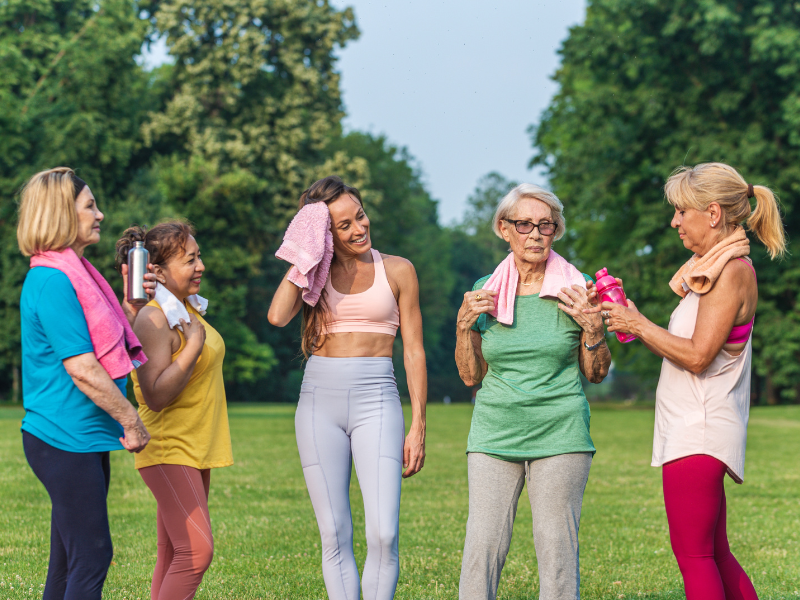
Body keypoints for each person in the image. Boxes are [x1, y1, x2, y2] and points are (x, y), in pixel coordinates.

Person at [591, 163, 786, 600]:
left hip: (698, 432)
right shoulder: (715, 272)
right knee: (715, 554)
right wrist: (629, 314)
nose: (675, 221)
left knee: (695, 558)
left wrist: (637, 324)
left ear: (713, 213)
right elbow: (685, 345)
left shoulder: (730, 272)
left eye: (682, 211)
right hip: (698, 429)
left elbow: (698, 356)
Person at [268, 175, 427, 600]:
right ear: (325, 232)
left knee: (384, 532)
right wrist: (305, 254)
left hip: (378, 399)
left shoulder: (397, 270)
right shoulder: (312, 275)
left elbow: (413, 351)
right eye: (343, 225)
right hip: (319, 401)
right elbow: (278, 316)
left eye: (360, 216)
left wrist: (419, 425)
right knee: (334, 532)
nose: (359, 228)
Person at [455, 183, 611, 600]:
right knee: (483, 544)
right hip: (495, 430)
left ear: (557, 230)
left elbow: (595, 374)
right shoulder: (486, 288)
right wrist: (463, 325)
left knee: (556, 546)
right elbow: (471, 376)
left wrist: (594, 328)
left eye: (546, 225)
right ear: (504, 229)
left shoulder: (575, 289)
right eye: (525, 224)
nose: (536, 234)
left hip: (560, 431)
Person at [16, 167, 153, 600]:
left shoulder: (75, 274)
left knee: (68, 563)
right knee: (92, 557)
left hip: (81, 437)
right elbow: (83, 367)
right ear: (61, 212)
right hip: (63, 437)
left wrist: (132, 306)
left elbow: (99, 344)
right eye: (89, 205)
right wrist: (132, 421)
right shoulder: (54, 280)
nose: (100, 214)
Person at [117, 222, 233, 600]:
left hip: (194, 447)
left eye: (198, 257)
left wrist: (194, 336)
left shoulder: (183, 310)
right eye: (189, 260)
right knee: (197, 553)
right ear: (159, 272)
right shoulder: (153, 319)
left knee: (173, 552)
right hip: (170, 447)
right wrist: (193, 345)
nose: (200, 266)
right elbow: (154, 395)